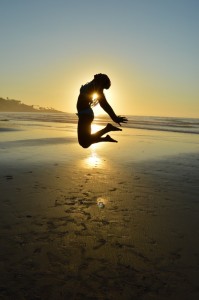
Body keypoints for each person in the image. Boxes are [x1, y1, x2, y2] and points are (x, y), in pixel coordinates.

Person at [76, 73, 128, 148]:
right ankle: (107, 133)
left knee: (84, 143)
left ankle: (107, 130)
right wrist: (114, 118)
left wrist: (114, 118)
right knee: (85, 142)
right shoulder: (93, 85)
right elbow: (104, 104)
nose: (102, 89)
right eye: (103, 87)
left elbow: (104, 105)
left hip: (85, 114)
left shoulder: (96, 88)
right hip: (84, 114)